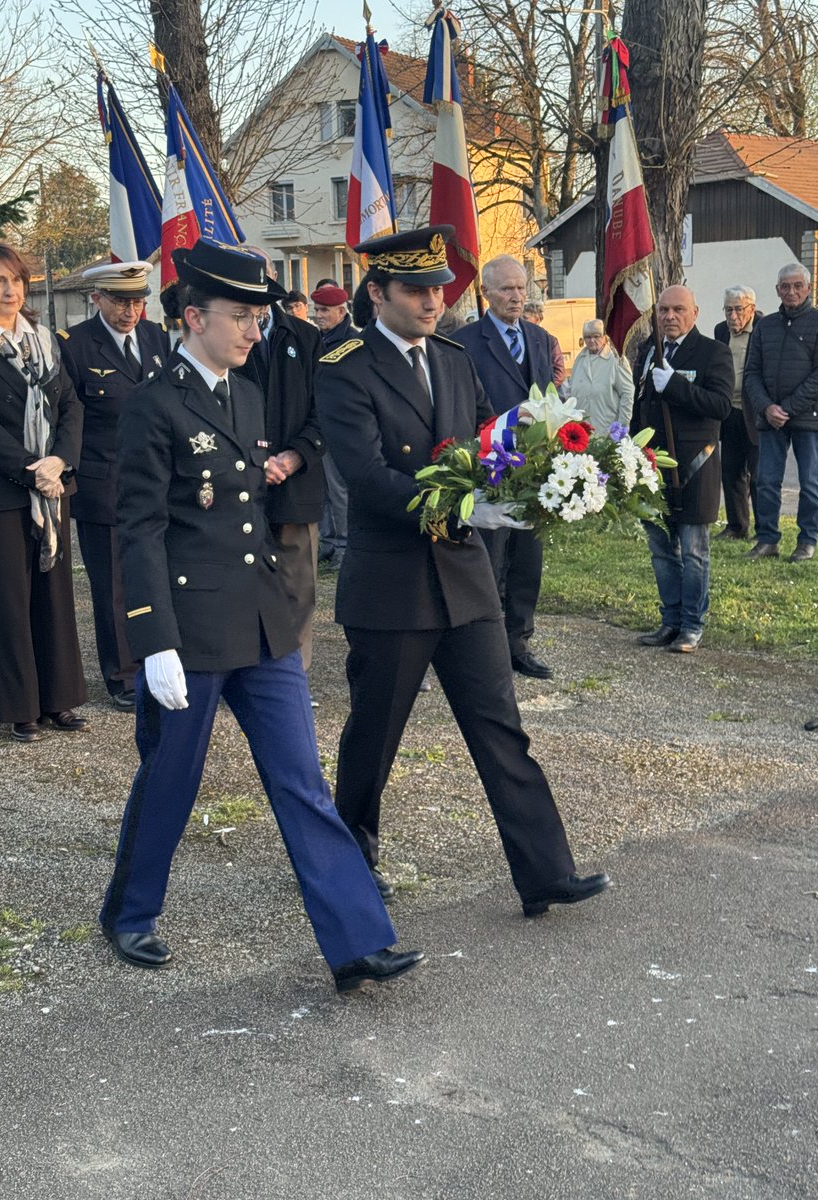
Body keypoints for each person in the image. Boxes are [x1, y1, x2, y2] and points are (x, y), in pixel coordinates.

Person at [99, 238, 421, 992]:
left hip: (263, 624)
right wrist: (153, 639)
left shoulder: (247, 394)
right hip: (192, 631)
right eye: (240, 317)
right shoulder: (155, 404)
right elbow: (139, 528)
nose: (253, 330)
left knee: (301, 782)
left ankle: (356, 941)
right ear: (192, 317)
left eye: (257, 317)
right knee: (172, 777)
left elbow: (248, 512)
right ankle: (131, 913)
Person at [315, 225, 609, 917]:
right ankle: (352, 856)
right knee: (374, 737)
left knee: (500, 726)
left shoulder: (451, 356)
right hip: (393, 582)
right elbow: (365, 475)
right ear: (378, 292)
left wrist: (529, 484)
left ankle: (545, 871)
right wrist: (462, 503)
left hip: (464, 578)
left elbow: (486, 439)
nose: (430, 301)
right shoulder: (344, 364)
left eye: (438, 289)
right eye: (415, 290)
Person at [0, 241, 88, 743]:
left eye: (16, 279)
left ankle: (59, 700)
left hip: (53, 485)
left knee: (55, 596)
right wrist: (32, 468)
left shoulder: (46, 341)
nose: (10, 290)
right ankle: (22, 709)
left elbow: (72, 407)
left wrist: (60, 460)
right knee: (10, 601)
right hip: (0, 490)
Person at [58, 261, 171, 711]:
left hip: (156, 479)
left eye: (138, 301)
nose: (130, 311)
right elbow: (68, 417)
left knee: (158, 576)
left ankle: (158, 659)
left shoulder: (156, 337)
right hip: (103, 482)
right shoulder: (76, 345)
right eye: (121, 301)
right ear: (97, 299)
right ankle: (123, 675)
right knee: (113, 586)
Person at [453, 256, 558, 680]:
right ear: (487, 294)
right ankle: (484, 646)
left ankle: (518, 641)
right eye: (507, 289)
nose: (517, 296)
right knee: (489, 558)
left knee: (527, 559)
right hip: (490, 465)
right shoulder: (464, 343)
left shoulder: (539, 338)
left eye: (521, 288)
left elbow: (549, 398)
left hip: (532, 470)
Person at [235, 253, 325, 672]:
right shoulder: (226, 341)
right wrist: (254, 463)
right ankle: (244, 670)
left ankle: (292, 675)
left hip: (296, 484)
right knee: (241, 582)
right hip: (237, 484)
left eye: (265, 282)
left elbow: (327, 411)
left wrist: (294, 456)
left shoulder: (308, 339)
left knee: (297, 587)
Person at [633, 285, 734, 654]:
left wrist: (675, 384)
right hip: (651, 466)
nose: (670, 317)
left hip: (695, 466)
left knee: (693, 551)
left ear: (695, 313)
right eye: (663, 310)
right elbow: (640, 406)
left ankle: (691, 625)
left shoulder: (713, 353)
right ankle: (670, 620)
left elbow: (721, 405)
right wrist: (631, 450)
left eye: (678, 310)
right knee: (661, 549)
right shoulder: (649, 350)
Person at [743, 263, 818, 562]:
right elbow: (751, 374)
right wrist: (766, 407)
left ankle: (807, 540)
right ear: (777, 290)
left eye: (797, 286)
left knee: (809, 482)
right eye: (785, 286)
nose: (791, 291)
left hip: (807, 416)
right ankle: (768, 540)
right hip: (770, 417)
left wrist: (788, 408)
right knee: (766, 481)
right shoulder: (764, 326)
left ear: (808, 289)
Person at [311, 284, 360, 572]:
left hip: (340, 424)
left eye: (324, 310)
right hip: (319, 422)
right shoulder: (320, 339)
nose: (318, 315)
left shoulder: (351, 342)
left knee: (340, 489)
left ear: (341, 312)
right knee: (323, 488)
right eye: (316, 310)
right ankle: (328, 541)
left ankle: (344, 544)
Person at [713, 286, 762, 541]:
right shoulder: (720, 331)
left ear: (751, 308)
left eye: (738, 309)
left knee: (759, 476)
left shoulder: (764, 329)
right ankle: (737, 526)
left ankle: (763, 529)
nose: (733, 316)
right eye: (728, 309)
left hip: (754, 413)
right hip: (729, 412)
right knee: (731, 472)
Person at [567, 318, 635, 435]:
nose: (592, 340)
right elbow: (570, 391)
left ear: (605, 337)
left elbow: (627, 394)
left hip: (606, 431)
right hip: (581, 432)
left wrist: (621, 426)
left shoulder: (616, 359)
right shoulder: (580, 359)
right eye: (588, 337)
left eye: (596, 336)